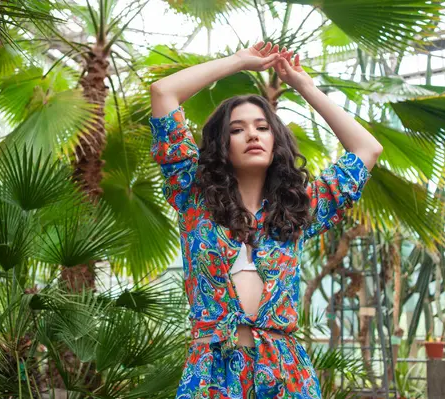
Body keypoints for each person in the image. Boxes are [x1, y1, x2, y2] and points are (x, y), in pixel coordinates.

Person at [149, 41, 383, 399]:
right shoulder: (193, 198)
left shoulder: (299, 210)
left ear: (277, 141)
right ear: (221, 144)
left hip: (285, 374)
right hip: (211, 374)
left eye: (262, 127)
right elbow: (163, 92)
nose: (252, 134)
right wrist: (239, 62)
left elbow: (367, 149)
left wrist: (303, 84)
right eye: (237, 129)